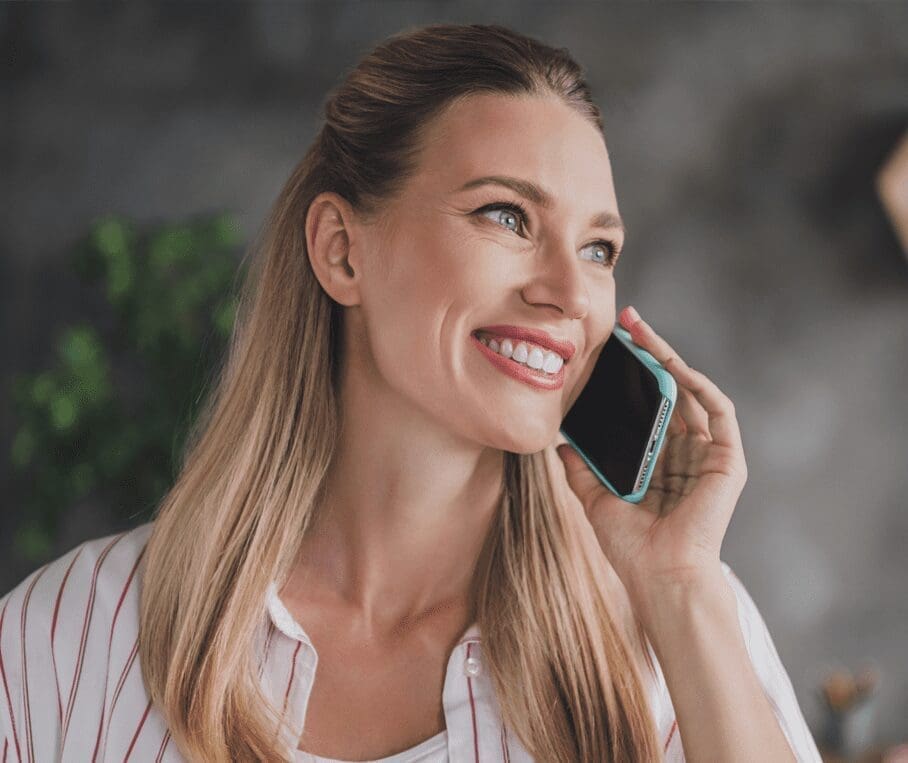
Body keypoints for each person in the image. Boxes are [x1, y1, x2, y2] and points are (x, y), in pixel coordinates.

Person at [0, 22, 823, 763]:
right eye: (507, 216)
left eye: (600, 249)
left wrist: (681, 590)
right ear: (341, 251)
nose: (572, 293)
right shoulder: (67, 638)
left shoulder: (675, 634)